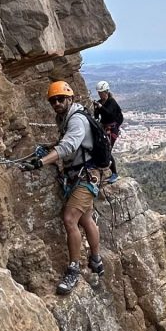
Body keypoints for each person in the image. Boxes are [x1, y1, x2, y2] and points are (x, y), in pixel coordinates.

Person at [29, 81, 109, 295]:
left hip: (86, 174)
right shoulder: (65, 118)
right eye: (53, 100)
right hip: (83, 173)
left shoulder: (76, 120)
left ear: (70, 99)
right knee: (86, 218)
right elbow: (67, 141)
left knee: (70, 218)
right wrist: (50, 147)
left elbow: (69, 145)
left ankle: (74, 269)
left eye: (60, 99)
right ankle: (96, 260)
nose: (56, 103)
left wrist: (42, 161)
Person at [92, 80, 123, 183]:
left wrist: (100, 107)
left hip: (112, 129)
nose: (100, 95)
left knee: (107, 149)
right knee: (103, 148)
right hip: (105, 127)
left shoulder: (111, 102)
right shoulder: (101, 102)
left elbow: (109, 113)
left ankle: (114, 173)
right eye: (99, 93)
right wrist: (96, 109)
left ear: (106, 92)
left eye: (101, 93)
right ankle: (106, 168)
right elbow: (97, 116)